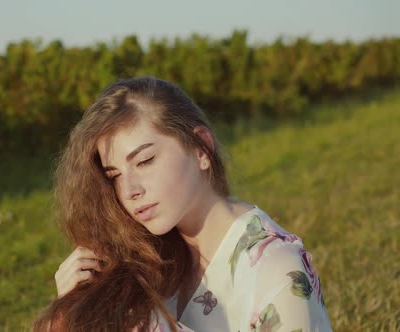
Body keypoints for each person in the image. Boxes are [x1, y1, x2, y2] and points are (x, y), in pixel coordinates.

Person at [32, 77, 332, 331]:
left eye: (145, 160)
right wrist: (76, 307)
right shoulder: (144, 258)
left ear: (201, 147)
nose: (129, 190)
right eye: (114, 176)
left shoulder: (275, 271)